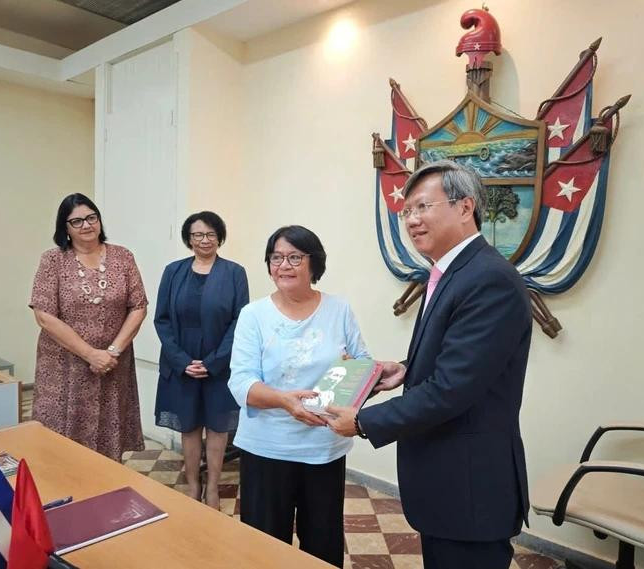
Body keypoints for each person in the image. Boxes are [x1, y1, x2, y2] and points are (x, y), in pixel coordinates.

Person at [327, 160, 532, 569]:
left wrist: (364, 422)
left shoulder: (489, 278)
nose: (412, 221)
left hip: (470, 487)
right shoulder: (452, 271)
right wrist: (405, 368)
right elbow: (459, 359)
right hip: (446, 480)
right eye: (407, 212)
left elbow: (452, 389)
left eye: (422, 207)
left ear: (464, 207)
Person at [228, 225, 370, 568]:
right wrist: (284, 401)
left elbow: (363, 363)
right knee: (263, 544)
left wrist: (356, 374)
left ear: (313, 263)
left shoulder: (339, 309)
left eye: (294, 257)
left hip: (323, 447)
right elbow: (241, 382)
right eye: (276, 258)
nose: (284, 265)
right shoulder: (254, 315)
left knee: (322, 542)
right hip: (267, 447)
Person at [30, 193, 148, 462]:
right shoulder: (53, 260)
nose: (86, 225)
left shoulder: (122, 256)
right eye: (77, 221)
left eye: (91, 217)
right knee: (62, 440)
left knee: (109, 434)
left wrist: (112, 352)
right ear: (65, 228)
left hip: (112, 364)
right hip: (65, 366)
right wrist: (90, 354)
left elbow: (138, 306)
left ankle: (107, 487)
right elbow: (44, 315)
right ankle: (64, 489)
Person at [154, 211, 249, 510]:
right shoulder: (173, 271)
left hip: (219, 364)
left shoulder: (234, 272)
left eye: (209, 234)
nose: (204, 240)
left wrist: (214, 361)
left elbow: (240, 321)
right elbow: (162, 320)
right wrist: (182, 361)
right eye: (197, 235)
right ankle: (193, 485)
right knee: (189, 426)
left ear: (219, 237)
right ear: (188, 239)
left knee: (218, 428)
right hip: (182, 365)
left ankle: (212, 488)